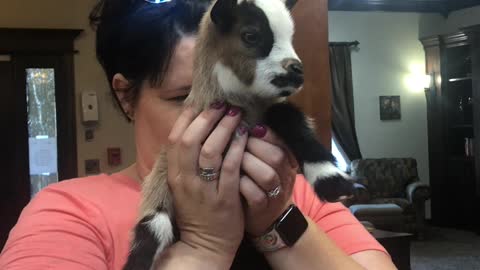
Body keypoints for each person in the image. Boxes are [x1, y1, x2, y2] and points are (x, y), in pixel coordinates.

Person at [0, 0, 397, 269]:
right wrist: (204, 246)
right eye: (183, 98)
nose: (226, 122)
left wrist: (276, 221)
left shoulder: (297, 195)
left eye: (238, 96)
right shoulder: (68, 214)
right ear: (126, 96)